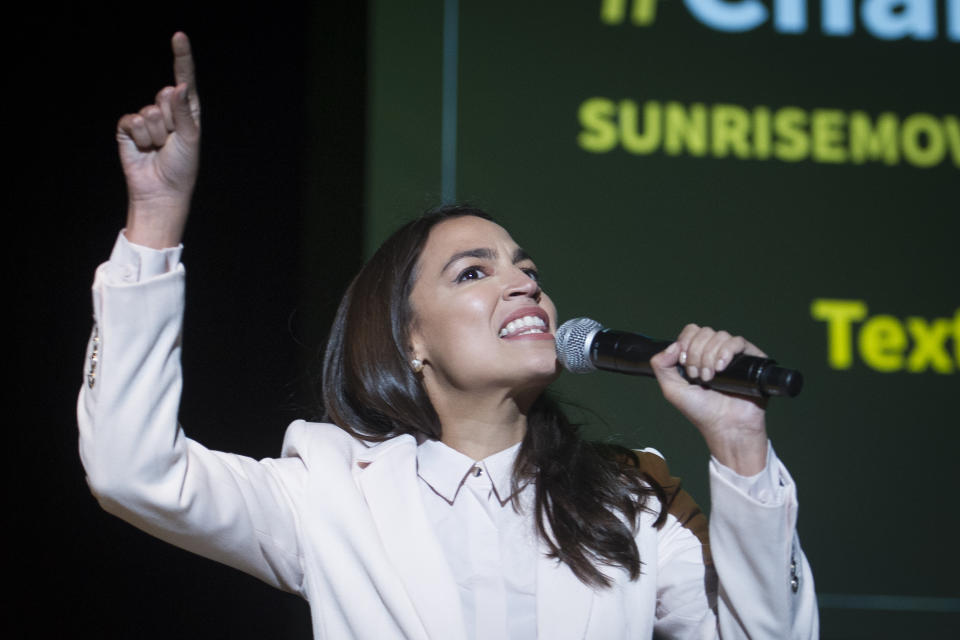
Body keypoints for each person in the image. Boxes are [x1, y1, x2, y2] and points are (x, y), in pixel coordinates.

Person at [78, 33, 818, 639]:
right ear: (409, 343)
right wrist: (156, 216)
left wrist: (740, 444)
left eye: (527, 268)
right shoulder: (331, 489)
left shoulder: (628, 494)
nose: (523, 283)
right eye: (473, 273)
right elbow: (132, 471)